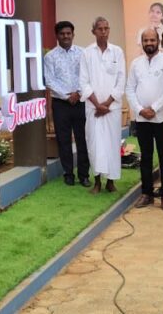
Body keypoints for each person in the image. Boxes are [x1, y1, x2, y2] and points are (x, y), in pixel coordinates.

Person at [127, 29, 163, 210]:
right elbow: (129, 89)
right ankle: (146, 193)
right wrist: (140, 110)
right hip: (142, 119)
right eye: (146, 40)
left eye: (152, 40)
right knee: (145, 157)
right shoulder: (136, 63)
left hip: (162, 117)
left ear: (158, 41)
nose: (149, 43)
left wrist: (154, 108)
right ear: (142, 42)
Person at [79, 17, 126, 194]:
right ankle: (97, 181)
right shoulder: (87, 53)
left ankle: (111, 182)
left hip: (111, 108)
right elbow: (83, 82)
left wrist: (106, 104)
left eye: (106, 28)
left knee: (112, 143)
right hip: (93, 109)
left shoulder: (117, 52)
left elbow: (121, 80)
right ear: (93, 32)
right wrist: (97, 105)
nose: (104, 31)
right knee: (94, 144)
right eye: (100, 29)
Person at [44, 21, 91, 187]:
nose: (66, 36)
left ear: (73, 34)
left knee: (82, 139)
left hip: (80, 101)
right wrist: (66, 96)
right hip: (60, 104)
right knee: (63, 140)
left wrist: (78, 93)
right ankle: (68, 174)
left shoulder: (83, 53)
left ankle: (84, 175)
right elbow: (49, 80)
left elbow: (88, 76)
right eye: (62, 34)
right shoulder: (50, 57)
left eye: (68, 33)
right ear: (57, 36)